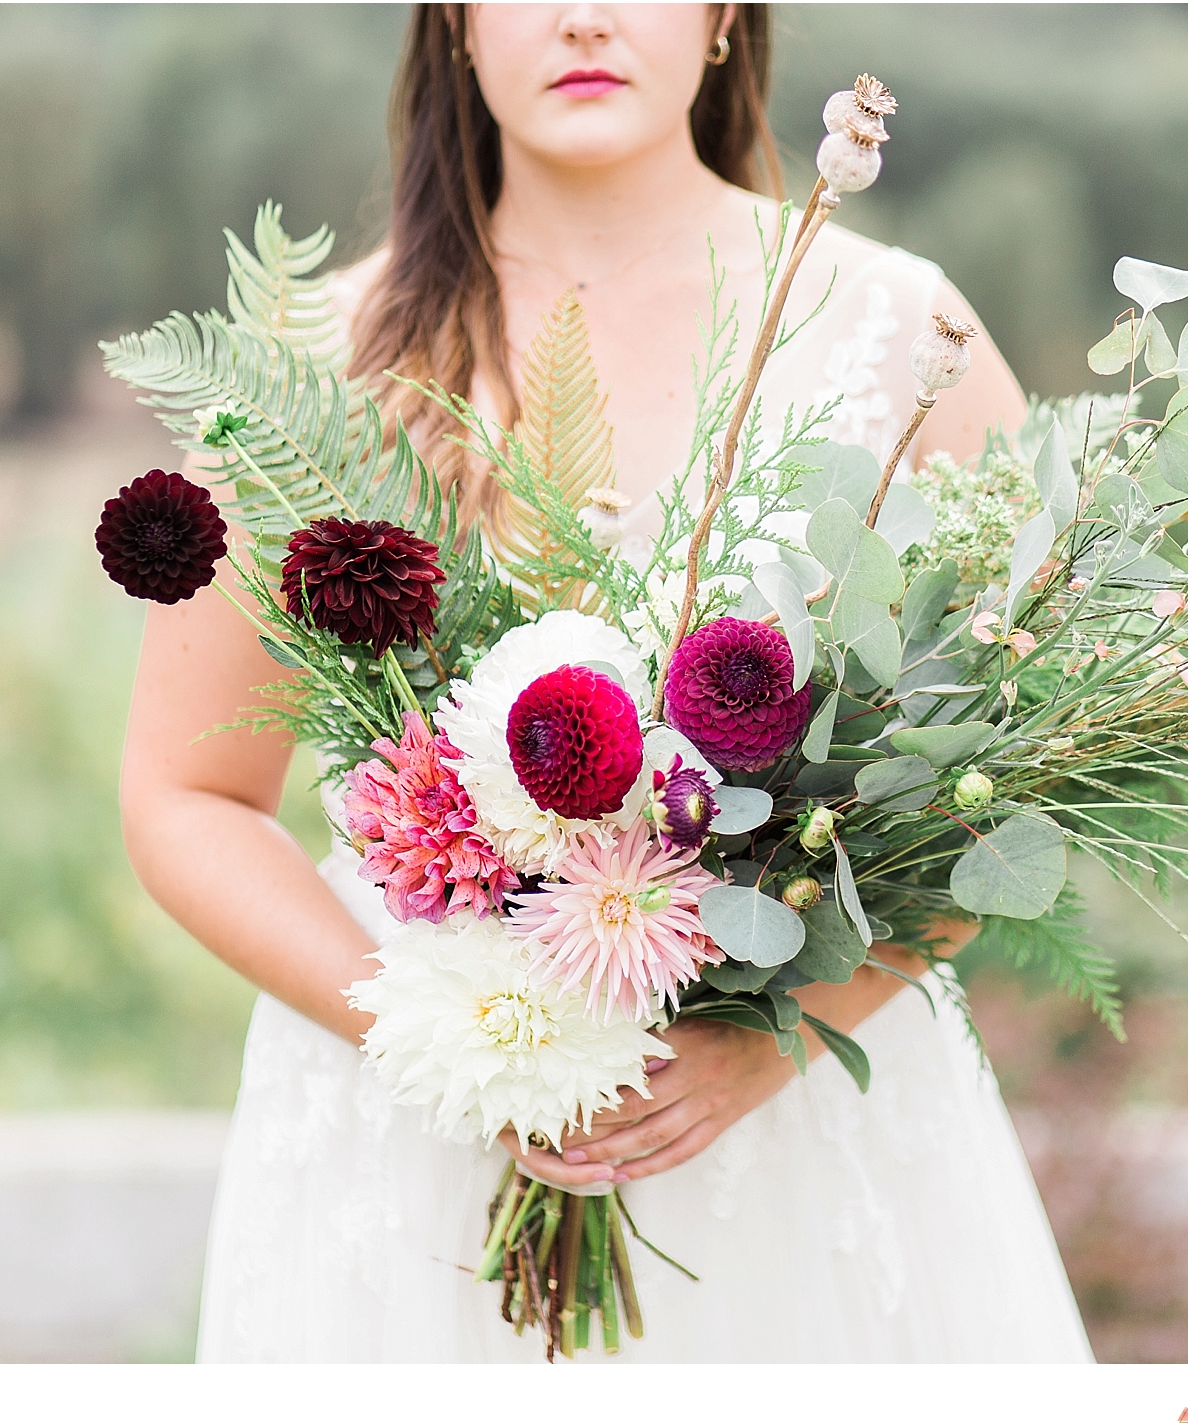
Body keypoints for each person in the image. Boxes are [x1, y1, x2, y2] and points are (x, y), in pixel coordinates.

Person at [120, 2, 1093, 1363]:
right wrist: (447, 1036)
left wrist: (784, 1032)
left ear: (723, 20)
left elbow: (1028, 764)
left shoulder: (898, 330)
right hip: (413, 1161)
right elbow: (185, 794)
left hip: (795, 1148)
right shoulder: (311, 367)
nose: (582, 16)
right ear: (452, 24)